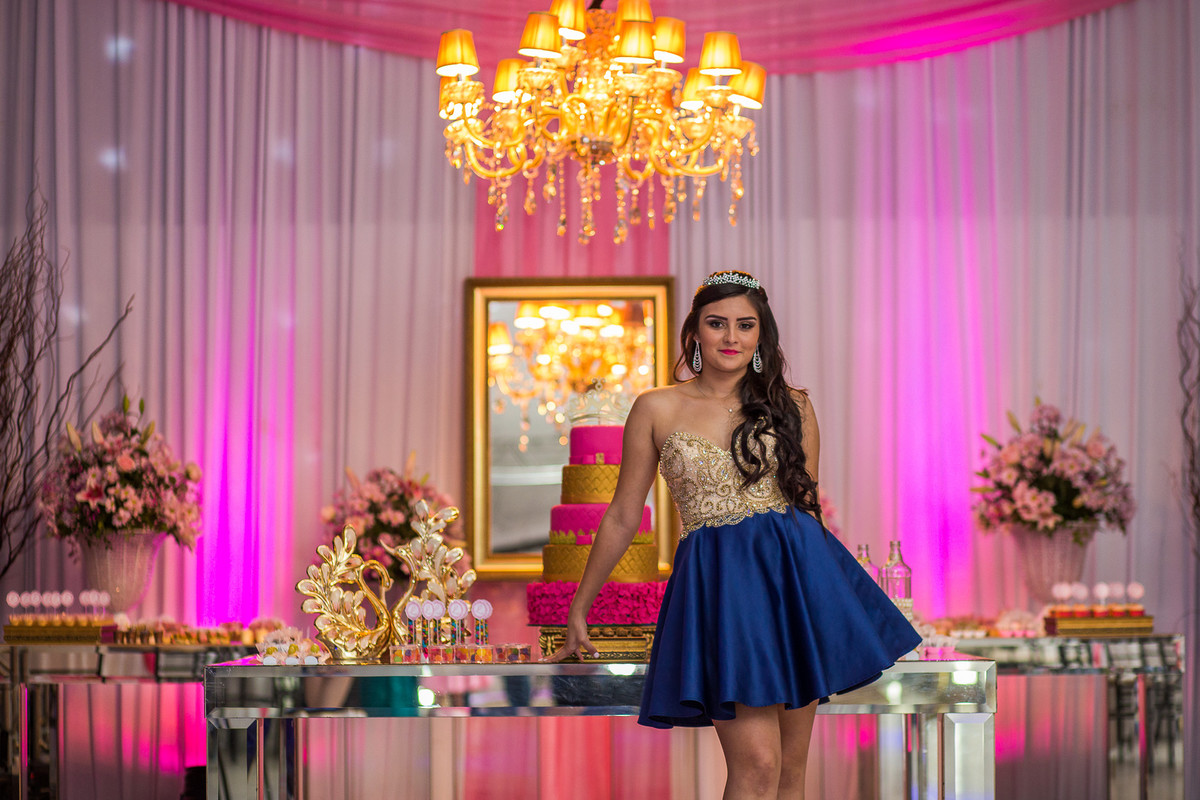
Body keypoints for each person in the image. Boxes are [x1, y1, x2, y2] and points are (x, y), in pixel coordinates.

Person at [547, 270, 922, 799]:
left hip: (795, 584)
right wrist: (580, 607)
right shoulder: (656, 407)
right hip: (723, 589)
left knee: (791, 772)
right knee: (758, 766)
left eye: (745, 325)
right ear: (695, 332)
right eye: (716, 323)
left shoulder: (794, 405)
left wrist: (829, 601)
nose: (731, 337)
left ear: (761, 334)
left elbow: (807, 507)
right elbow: (623, 515)